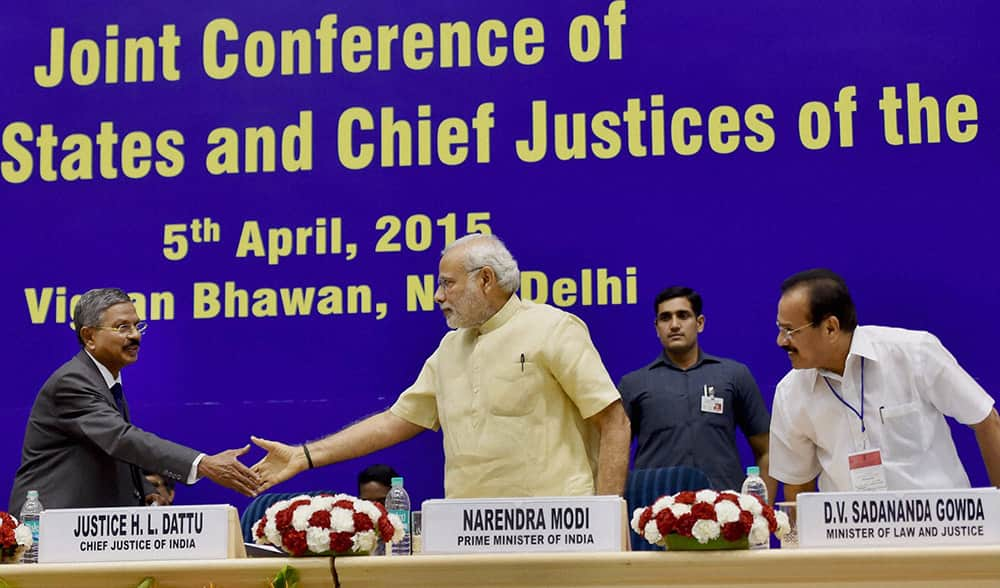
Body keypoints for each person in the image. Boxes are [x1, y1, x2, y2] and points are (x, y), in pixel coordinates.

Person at [251, 234, 631, 498]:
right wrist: (304, 455)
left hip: (556, 528)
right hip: (467, 532)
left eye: (447, 284)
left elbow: (613, 421)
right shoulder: (450, 348)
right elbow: (396, 420)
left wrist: (606, 518)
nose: (437, 296)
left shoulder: (553, 328)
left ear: (485, 279)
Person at [9, 288, 261, 514]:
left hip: (83, 527)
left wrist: (144, 492)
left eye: (137, 326)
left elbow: (108, 451)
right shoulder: (73, 382)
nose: (135, 336)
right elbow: (120, 439)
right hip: (48, 525)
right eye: (122, 328)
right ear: (89, 337)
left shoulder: (105, 380)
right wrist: (202, 464)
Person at [770, 269, 1000, 502]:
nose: (781, 341)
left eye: (790, 331)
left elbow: (986, 419)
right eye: (780, 329)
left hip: (937, 529)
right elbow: (797, 486)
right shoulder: (790, 393)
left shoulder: (914, 354)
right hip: (850, 534)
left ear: (830, 327)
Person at [618, 286, 774, 496]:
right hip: (655, 514)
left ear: (699, 323)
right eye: (665, 318)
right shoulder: (633, 384)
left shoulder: (733, 375)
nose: (674, 325)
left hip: (725, 513)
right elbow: (614, 457)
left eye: (683, 316)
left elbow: (767, 451)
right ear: (656, 328)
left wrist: (762, 514)